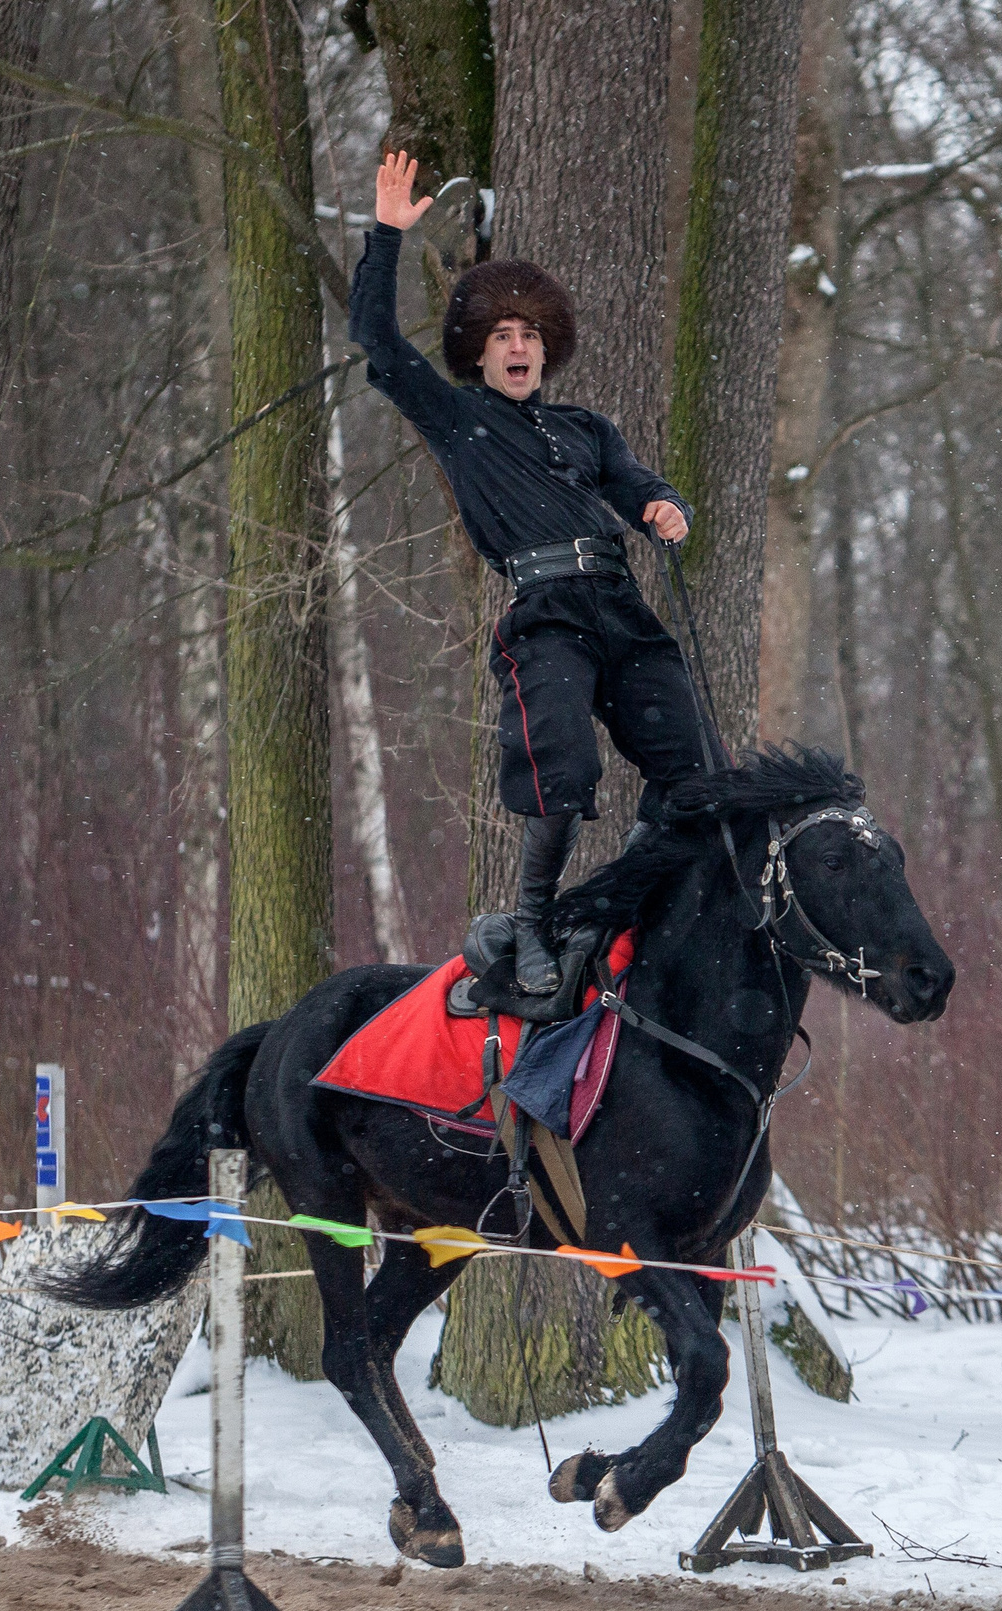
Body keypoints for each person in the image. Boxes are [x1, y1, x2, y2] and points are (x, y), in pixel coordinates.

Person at [350, 152, 706, 994]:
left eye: (531, 337)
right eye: (504, 337)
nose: (519, 347)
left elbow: (637, 484)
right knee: (561, 772)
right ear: (479, 354)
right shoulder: (456, 417)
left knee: (694, 769)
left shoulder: (587, 428)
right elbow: (379, 343)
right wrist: (386, 238)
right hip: (546, 616)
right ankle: (535, 925)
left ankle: (620, 903)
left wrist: (665, 506)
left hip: (621, 606)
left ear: (548, 352)